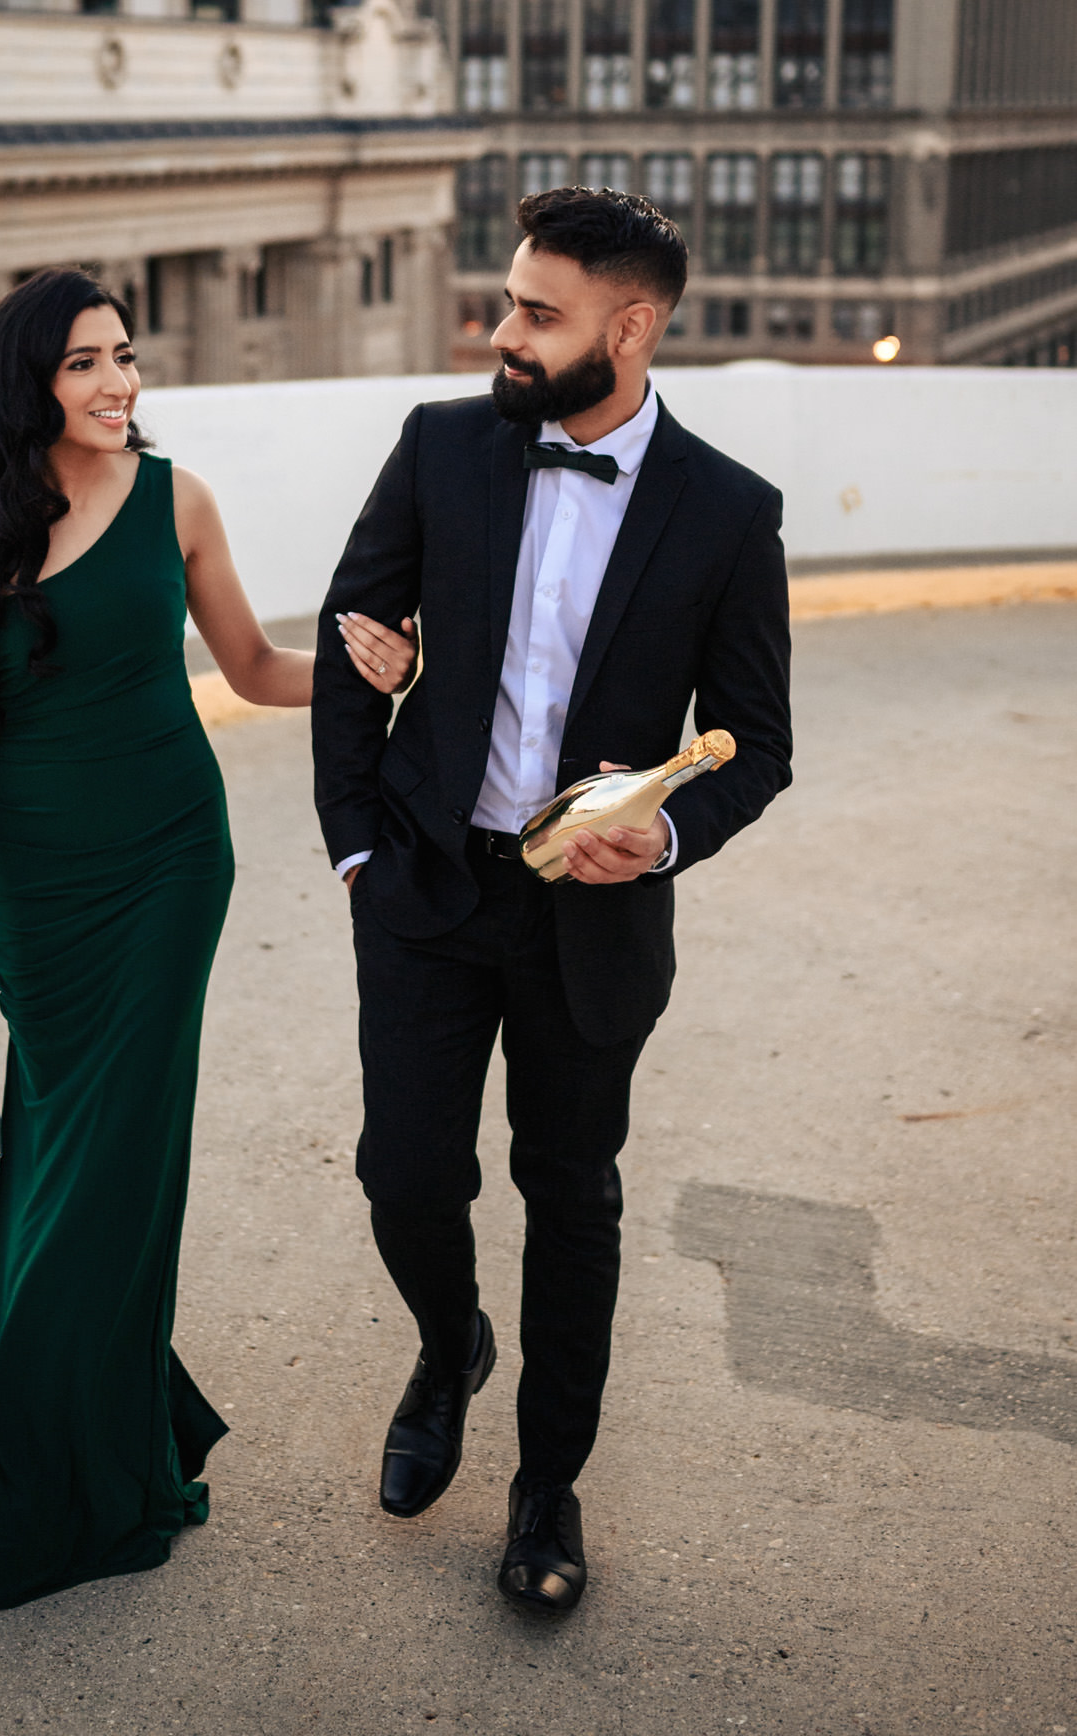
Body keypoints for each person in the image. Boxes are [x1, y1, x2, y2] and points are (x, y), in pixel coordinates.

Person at [0, 267, 412, 1610]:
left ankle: (44, 1467)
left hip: (171, 864)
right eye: (84, 363)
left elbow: (249, 668)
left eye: (126, 356)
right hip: (40, 881)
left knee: (119, 1163)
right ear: (28, 381)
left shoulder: (177, 498)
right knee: (65, 1158)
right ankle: (103, 1443)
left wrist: (381, 677)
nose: (119, 383)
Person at [311, 187, 793, 1616]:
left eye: (537, 311)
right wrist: (353, 849)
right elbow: (353, 643)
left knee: (568, 1199)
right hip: (425, 886)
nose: (503, 331)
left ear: (629, 329)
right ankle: (446, 1339)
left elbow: (753, 745)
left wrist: (658, 842)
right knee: (403, 1173)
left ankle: (544, 1491)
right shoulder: (442, 447)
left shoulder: (726, 512)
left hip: (592, 920)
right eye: (508, 301)